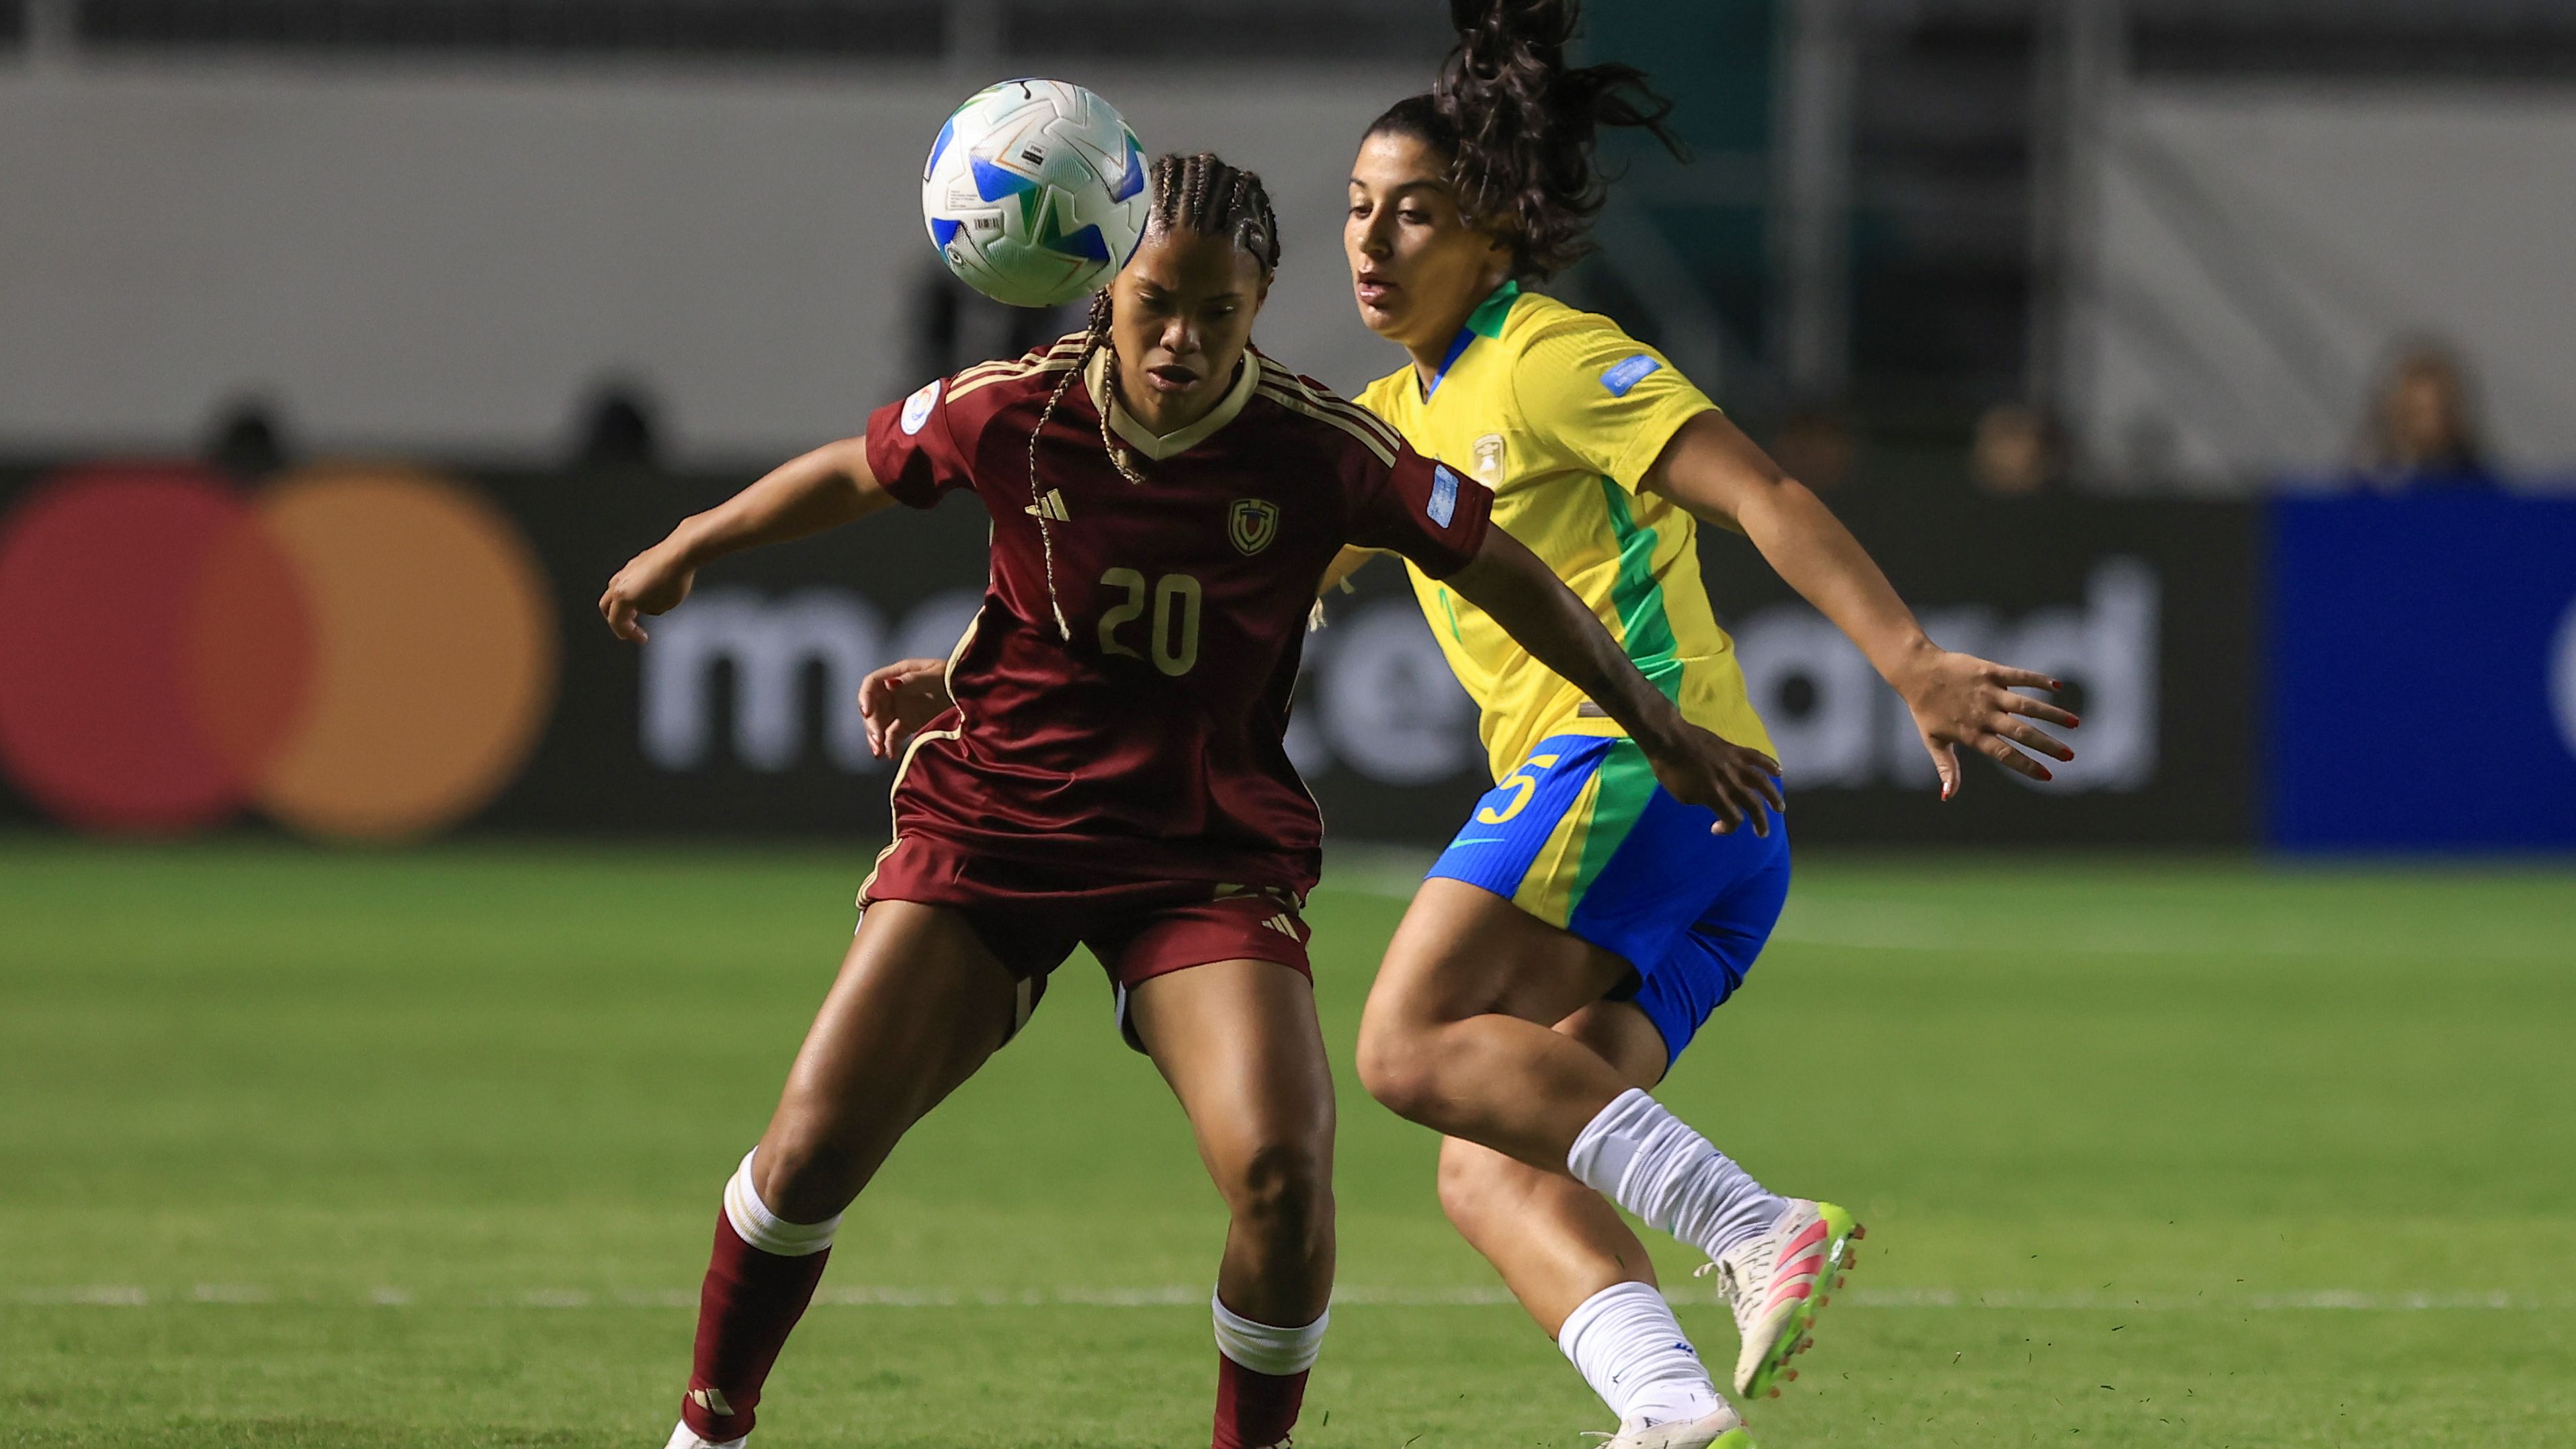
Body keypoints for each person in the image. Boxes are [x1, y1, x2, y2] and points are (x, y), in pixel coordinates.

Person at [601, 150, 1785, 1449]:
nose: (1181, 338)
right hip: (998, 827)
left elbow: (1505, 569)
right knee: (811, 1149)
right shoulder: (1013, 407)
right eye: (1155, 303)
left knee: (1283, 1177)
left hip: (1199, 857)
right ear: (1105, 291)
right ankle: (708, 1430)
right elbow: (855, 468)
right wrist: (687, 545)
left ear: (1259, 303)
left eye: (1217, 313)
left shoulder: (1321, 449)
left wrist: (1653, 721)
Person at [1333, 5, 2080, 1445]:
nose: (1374, 241)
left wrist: (1908, 656)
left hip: (1646, 773)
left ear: (1494, 232)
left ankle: (1754, 1224)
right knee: (1489, 1160)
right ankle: (1671, 1408)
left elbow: (1763, 492)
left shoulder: (1546, 354)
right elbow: (1230, 571)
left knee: (1407, 1039)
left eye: (1415, 212)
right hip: (1716, 848)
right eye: (1359, 210)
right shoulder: (1382, 427)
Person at [2358, 338, 2494, 489]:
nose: (2425, 425)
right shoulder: (2371, 490)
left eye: (2437, 412)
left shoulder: (2480, 490)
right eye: (2416, 413)